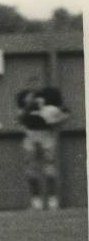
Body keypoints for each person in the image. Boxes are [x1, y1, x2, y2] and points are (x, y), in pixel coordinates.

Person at [15, 80, 70, 209]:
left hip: (45, 134)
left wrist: (56, 121)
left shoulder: (49, 101)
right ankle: (36, 202)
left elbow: (65, 113)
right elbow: (19, 119)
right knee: (31, 170)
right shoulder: (24, 102)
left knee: (49, 168)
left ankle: (52, 200)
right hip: (31, 135)